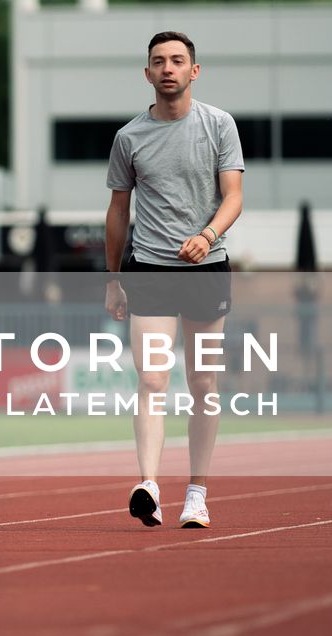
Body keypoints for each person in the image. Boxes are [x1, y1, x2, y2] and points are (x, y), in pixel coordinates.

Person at [103, 31, 246, 529]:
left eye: (178, 60)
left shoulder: (219, 125)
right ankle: (148, 484)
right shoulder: (129, 138)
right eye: (159, 61)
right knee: (151, 379)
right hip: (150, 271)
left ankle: (198, 494)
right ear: (147, 74)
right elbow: (118, 211)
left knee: (204, 384)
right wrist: (113, 279)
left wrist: (208, 235)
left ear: (194, 71)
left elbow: (233, 197)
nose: (168, 68)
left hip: (206, 270)